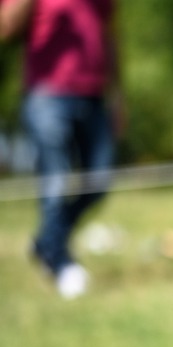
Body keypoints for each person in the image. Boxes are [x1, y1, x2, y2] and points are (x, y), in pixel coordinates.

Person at [0, 0, 121, 299]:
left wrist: (118, 94)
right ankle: (60, 263)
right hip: (48, 95)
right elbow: (6, 28)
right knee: (55, 180)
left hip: (94, 94)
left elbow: (111, 34)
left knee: (99, 182)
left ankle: (48, 240)